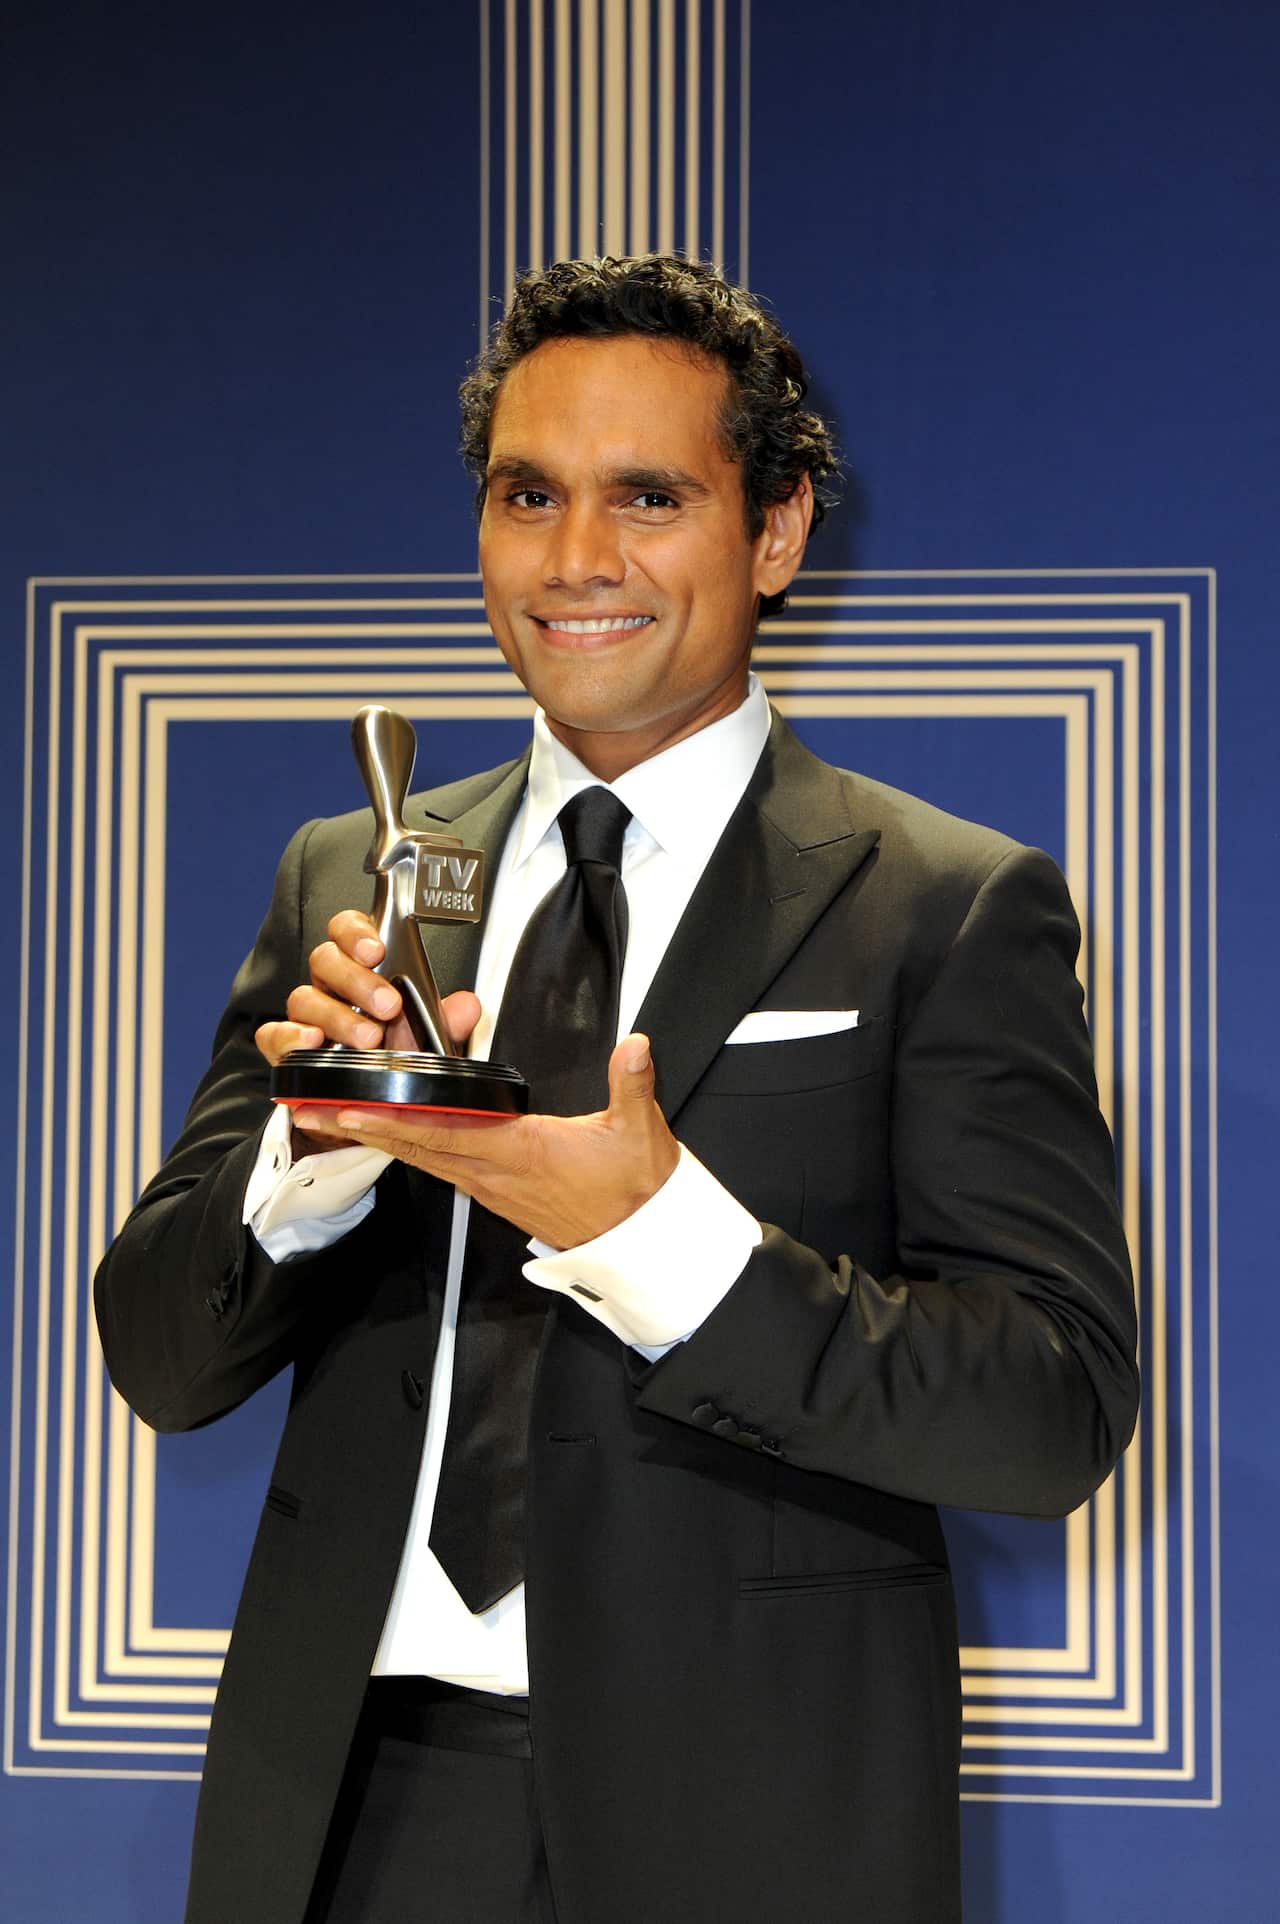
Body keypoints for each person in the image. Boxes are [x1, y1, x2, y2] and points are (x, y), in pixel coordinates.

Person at [94, 255, 1139, 1924]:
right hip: (351, 1801)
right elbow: (159, 1355)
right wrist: (315, 1151)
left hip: (754, 1812)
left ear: (777, 532)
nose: (578, 561)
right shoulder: (357, 869)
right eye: (530, 495)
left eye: (648, 496)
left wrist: (665, 1242)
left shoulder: (944, 903)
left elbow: (1049, 1410)